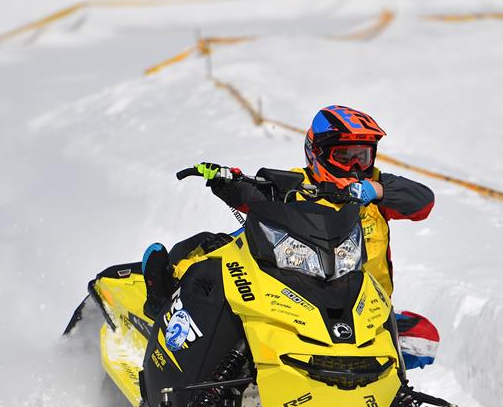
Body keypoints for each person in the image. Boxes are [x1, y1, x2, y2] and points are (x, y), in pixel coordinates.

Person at [143, 105, 440, 368]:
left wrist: (378, 192)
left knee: (425, 338)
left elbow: (423, 201)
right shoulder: (296, 183)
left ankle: (389, 385)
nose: (355, 167)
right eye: (345, 156)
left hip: (367, 312)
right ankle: (166, 289)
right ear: (318, 152)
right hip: (302, 303)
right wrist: (227, 181)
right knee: (217, 245)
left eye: (363, 156)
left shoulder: (376, 187)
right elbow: (256, 195)